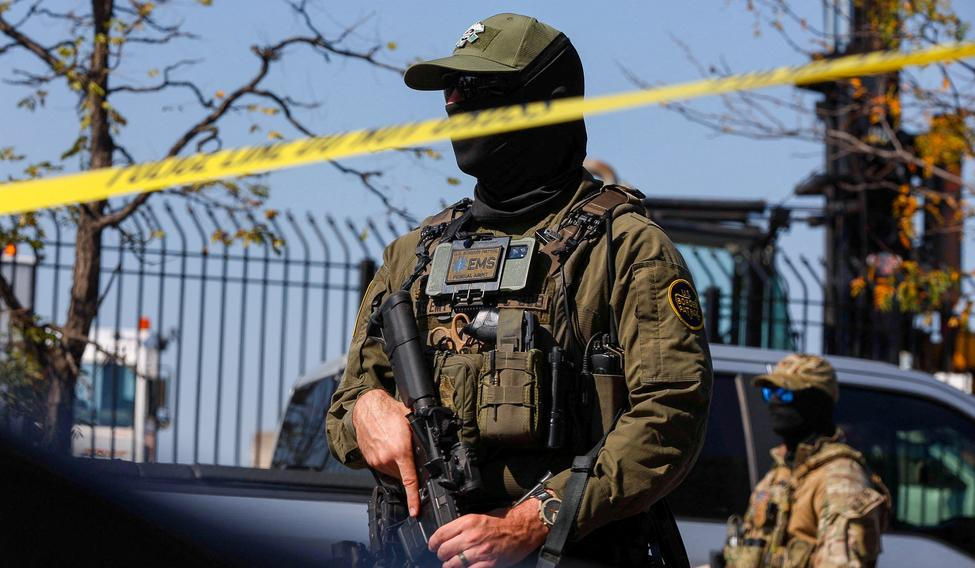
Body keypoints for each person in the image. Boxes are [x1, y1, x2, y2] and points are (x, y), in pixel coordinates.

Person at [327, 13, 712, 567]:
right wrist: (366, 411)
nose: (456, 103)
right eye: (450, 89)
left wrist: (533, 520)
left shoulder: (625, 248)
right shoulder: (413, 257)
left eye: (477, 88)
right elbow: (346, 406)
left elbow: (669, 418)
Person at [723, 354, 890, 568]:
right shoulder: (780, 473)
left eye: (785, 394)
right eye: (769, 392)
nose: (773, 402)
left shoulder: (841, 477)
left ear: (817, 402)